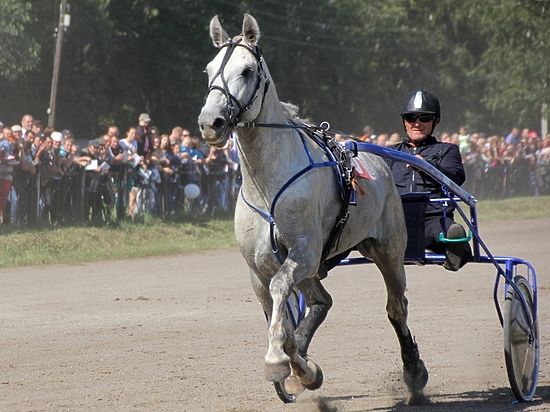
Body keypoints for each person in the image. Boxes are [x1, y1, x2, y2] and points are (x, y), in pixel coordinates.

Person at [386, 89, 471, 271]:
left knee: (453, 234)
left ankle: (455, 253)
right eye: (411, 118)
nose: (417, 123)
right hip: (394, 222)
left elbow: (456, 178)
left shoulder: (447, 150)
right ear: (404, 122)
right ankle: (324, 261)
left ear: (435, 121)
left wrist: (427, 166)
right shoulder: (388, 153)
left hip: (433, 219)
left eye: (424, 118)